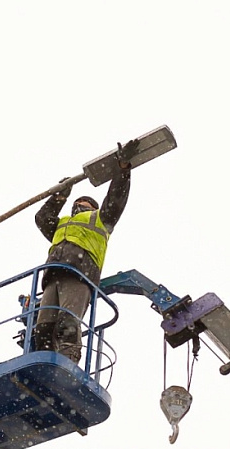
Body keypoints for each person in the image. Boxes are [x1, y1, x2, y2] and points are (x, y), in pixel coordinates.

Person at [33, 138, 140, 362]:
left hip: (79, 274)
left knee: (67, 322)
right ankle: (43, 362)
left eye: (85, 202)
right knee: (43, 328)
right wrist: (60, 195)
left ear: (94, 208)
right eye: (77, 202)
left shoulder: (101, 219)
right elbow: (42, 218)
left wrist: (122, 169)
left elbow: (116, 199)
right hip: (53, 276)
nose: (78, 204)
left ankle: (68, 359)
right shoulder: (62, 224)